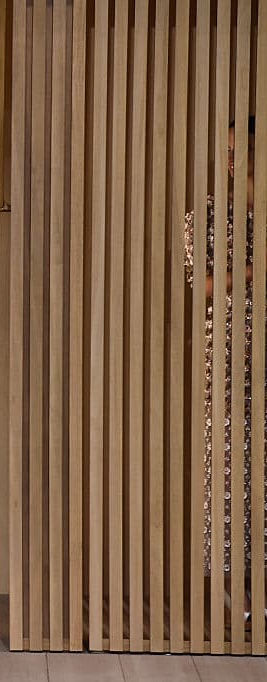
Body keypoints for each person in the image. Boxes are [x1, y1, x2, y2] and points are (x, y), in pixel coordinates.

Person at [185, 116, 264, 621]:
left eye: (242, 151)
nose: (232, 161)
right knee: (230, 475)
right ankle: (235, 593)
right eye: (227, 151)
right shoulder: (210, 213)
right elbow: (202, 284)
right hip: (229, 362)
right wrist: (256, 270)